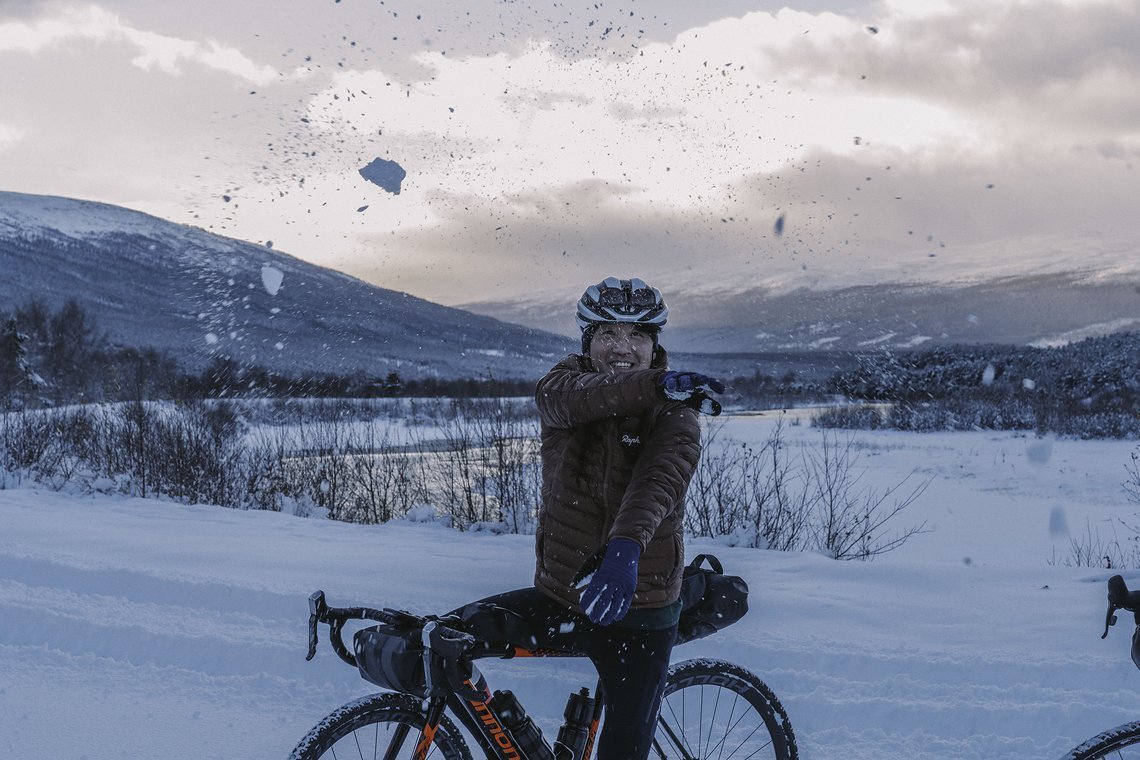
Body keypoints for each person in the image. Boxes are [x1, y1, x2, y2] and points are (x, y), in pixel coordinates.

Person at [459, 276, 724, 759]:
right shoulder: (564, 387)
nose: (622, 347)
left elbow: (658, 482)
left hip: (640, 604)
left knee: (622, 749)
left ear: (654, 344)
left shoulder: (677, 413)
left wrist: (625, 548)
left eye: (638, 336)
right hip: (564, 592)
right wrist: (655, 384)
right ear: (588, 342)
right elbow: (577, 397)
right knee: (446, 641)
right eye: (608, 334)